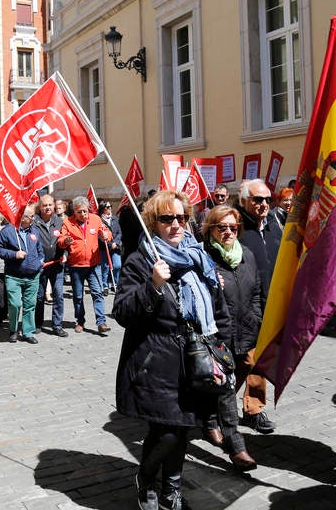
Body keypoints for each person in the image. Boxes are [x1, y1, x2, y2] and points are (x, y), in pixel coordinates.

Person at [114, 190, 234, 510]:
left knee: (180, 428)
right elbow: (123, 311)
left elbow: (217, 308)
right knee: (165, 430)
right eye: (168, 219)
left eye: (182, 218)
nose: (177, 225)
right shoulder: (141, 259)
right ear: (154, 223)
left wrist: (221, 343)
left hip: (194, 359)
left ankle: (171, 489)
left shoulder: (197, 256)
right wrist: (152, 286)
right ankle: (147, 480)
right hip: (155, 360)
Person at [201, 204, 259, 471]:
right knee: (226, 388)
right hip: (219, 335)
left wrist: (256, 318)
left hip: (246, 331)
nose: (227, 232)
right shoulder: (204, 258)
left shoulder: (246, 254)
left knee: (243, 369)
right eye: (221, 227)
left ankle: (211, 416)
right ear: (210, 229)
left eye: (232, 228)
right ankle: (236, 447)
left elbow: (256, 291)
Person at [234, 178, 281, 433]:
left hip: (270, 304)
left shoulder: (275, 224)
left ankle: (253, 409)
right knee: (244, 360)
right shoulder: (235, 226)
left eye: (267, 199)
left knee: (260, 359)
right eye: (258, 199)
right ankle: (218, 404)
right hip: (243, 306)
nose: (264, 204)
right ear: (244, 201)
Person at [58, 196, 112, 334]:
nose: (83, 214)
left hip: (94, 265)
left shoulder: (95, 219)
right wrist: (66, 241)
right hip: (76, 266)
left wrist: (107, 235)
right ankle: (80, 321)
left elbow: (106, 232)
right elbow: (61, 240)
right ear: (74, 212)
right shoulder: (67, 222)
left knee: (97, 293)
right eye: (80, 212)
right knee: (78, 296)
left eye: (85, 211)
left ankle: (101, 322)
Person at [0, 205, 44, 344]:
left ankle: (28, 332)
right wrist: (14, 254)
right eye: (30, 216)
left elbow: (40, 251)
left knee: (30, 305)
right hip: (14, 275)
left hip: (33, 276)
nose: (33, 218)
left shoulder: (35, 231)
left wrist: (40, 263)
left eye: (33, 215)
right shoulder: (8, 231)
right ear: (22, 217)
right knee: (15, 304)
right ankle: (13, 329)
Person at [33, 194, 68, 337]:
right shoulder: (34, 222)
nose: (47, 207)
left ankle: (57, 325)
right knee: (39, 296)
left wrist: (65, 253)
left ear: (54, 206)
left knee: (59, 295)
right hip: (41, 267)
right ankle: (37, 323)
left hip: (57, 265)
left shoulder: (60, 222)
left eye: (50, 205)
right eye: (44, 205)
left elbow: (65, 240)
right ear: (40, 207)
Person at [98, 200, 122, 295]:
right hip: (104, 247)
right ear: (103, 209)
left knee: (117, 265)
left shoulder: (115, 219)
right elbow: (98, 236)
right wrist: (108, 244)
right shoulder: (99, 221)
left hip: (115, 247)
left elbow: (120, 232)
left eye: (110, 206)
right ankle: (105, 286)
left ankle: (115, 284)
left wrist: (115, 242)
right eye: (108, 207)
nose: (110, 208)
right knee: (105, 267)